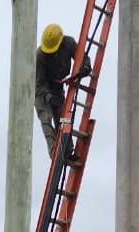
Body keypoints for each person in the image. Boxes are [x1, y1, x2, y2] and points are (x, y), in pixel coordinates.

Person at [35, 23, 91, 157]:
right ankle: (54, 152)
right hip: (41, 92)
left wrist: (85, 67)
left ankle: (67, 149)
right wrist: (49, 97)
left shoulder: (69, 44)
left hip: (57, 87)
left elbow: (83, 57)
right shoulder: (40, 55)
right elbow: (39, 83)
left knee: (63, 119)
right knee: (46, 119)